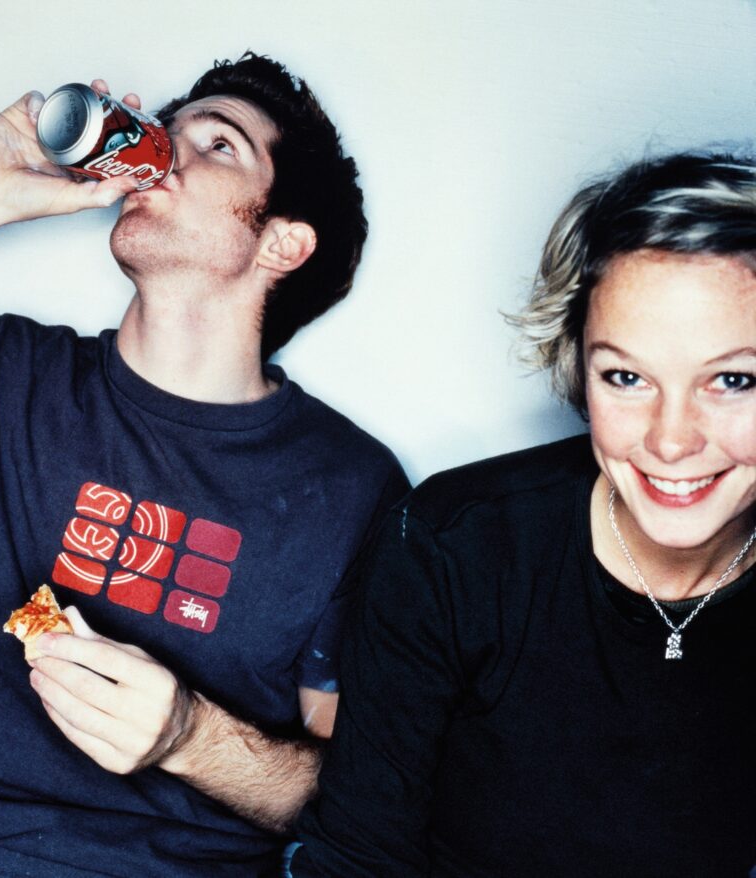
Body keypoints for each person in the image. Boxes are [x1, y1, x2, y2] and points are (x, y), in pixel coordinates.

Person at [0, 52, 409, 877]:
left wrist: (189, 735)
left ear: (283, 242)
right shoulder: (9, 369)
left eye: (216, 144)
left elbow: (368, 806)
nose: (164, 151)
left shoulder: (352, 488)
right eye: (163, 132)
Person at [289, 152, 756, 877]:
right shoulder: (452, 547)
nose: (671, 439)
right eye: (626, 377)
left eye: (732, 380)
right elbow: (357, 854)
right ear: (577, 367)